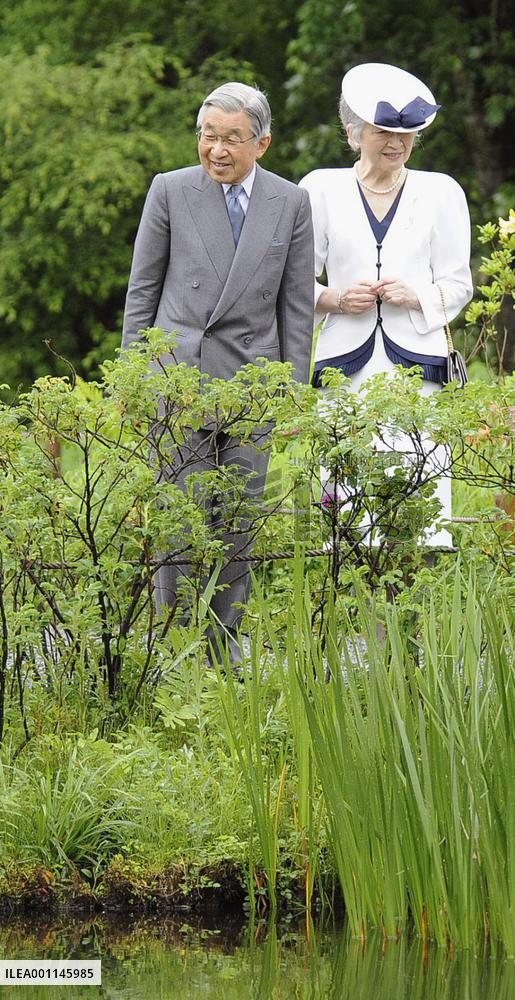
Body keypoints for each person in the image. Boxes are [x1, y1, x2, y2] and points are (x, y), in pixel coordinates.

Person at [122, 82, 315, 662]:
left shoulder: (291, 202)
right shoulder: (170, 190)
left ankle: (225, 651)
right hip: (179, 382)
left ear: (262, 143)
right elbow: (143, 291)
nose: (217, 149)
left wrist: (291, 393)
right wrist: (135, 379)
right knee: (178, 523)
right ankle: (175, 648)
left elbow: (296, 306)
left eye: (232, 138)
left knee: (238, 523)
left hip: (252, 386)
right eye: (208, 135)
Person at [299, 63, 472, 548]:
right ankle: (350, 585)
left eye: (406, 133)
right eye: (383, 132)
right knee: (346, 497)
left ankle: (421, 587)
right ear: (353, 133)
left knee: (420, 489)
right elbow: (293, 282)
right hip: (343, 367)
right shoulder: (319, 188)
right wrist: (334, 298)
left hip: (418, 368)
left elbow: (459, 284)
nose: (396, 143)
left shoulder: (441, 192)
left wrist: (416, 295)